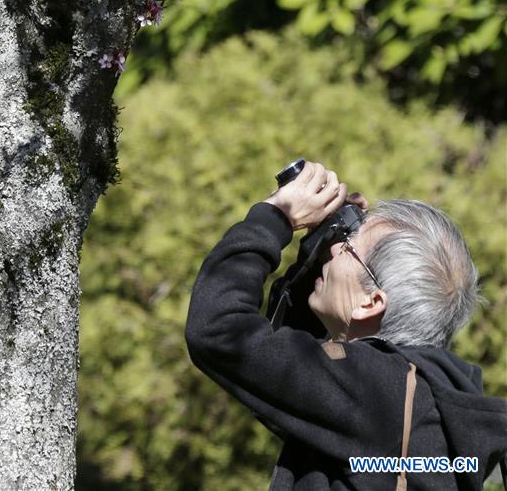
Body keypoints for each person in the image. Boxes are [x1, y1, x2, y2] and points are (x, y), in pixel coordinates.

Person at [185, 160, 507, 490]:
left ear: (372, 302)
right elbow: (285, 368)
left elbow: (219, 330)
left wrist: (274, 216)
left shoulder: (374, 389)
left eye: (349, 245)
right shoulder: (424, 397)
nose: (337, 247)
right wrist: (318, 252)